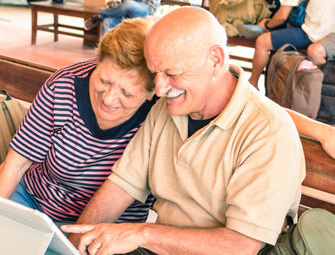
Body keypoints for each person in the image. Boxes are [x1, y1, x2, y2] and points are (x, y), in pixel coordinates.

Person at [62, 7, 307, 255]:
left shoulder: (269, 130)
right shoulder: (167, 110)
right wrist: (73, 247)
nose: (159, 89)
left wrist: (142, 233)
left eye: (171, 73)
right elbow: (120, 187)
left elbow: (241, 246)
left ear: (216, 61)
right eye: (155, 73)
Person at [0, 18, 157, 226]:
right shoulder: (63, 85)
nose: (109, 98)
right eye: (104, 80)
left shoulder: (160, 112)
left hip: (108, 227)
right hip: (36, 203)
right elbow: (16, 164)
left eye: (127, 93)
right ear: (97, 62)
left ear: (153, 91)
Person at [249, 0, 335, 88]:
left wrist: (266, 25)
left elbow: (282, 16)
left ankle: (252, 83)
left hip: (312, 34)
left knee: (262, 41)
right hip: (330, 38)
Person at [84, 0, 161, 35]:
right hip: (127, 14)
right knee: (108, 21)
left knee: (129, 4)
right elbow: (123, 3)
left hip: (146, 12)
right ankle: (104, 55)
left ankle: (101, 15)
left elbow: (150, 7)